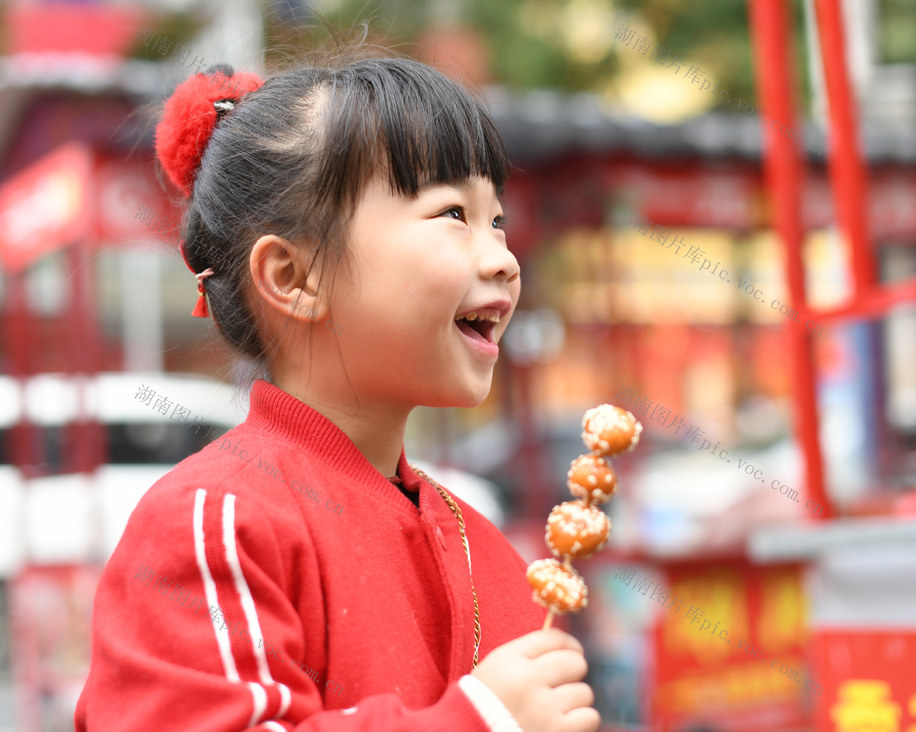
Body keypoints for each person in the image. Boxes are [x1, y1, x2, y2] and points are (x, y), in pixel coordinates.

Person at [74, 50, 600, 732]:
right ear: (293, 277)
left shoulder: (488, 551)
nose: (503, 257)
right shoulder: (214, 524)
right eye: (452, 214)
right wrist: (478, 720)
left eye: (496, 220)